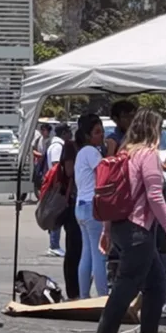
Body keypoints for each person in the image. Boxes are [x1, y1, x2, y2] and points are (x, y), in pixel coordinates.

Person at [92, 108, 166, 333]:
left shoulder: (124, 154)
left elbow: (112, 195)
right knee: (126, 285)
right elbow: (155, 195)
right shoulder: (147, 155)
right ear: (154, 129)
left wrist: (107, 231)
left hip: (122, 226)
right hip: (138, 229)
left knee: (155, 284)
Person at [74, 114, 109, 298]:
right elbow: (106, 174)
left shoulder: (81, 153)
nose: (101, 136)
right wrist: (110, 153)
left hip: (81, 206)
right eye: (97, 132)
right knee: (99, 255)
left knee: (87, 253)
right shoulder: (92, 152)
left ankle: (84, 295)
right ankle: (103, 296)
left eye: (102, 132)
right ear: (88, 135)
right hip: (91, 205)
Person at [51, 141, 83, 299]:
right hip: (72, 203)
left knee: (83, 251)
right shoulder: (71, 147)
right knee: (74, 249)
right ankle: (73, 291)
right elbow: (69, 171)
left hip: (80, 203)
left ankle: (80, 290)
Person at [44, 124, 72, 258]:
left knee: (58, 215)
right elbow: (56, 167)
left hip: (57, 186)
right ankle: (53, 245)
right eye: (69, 132)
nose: (71, 135)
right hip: (57, 186)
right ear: (64, 133)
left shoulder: (57, 145)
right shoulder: (57, 147)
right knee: (56, 216)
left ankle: (55, 244)